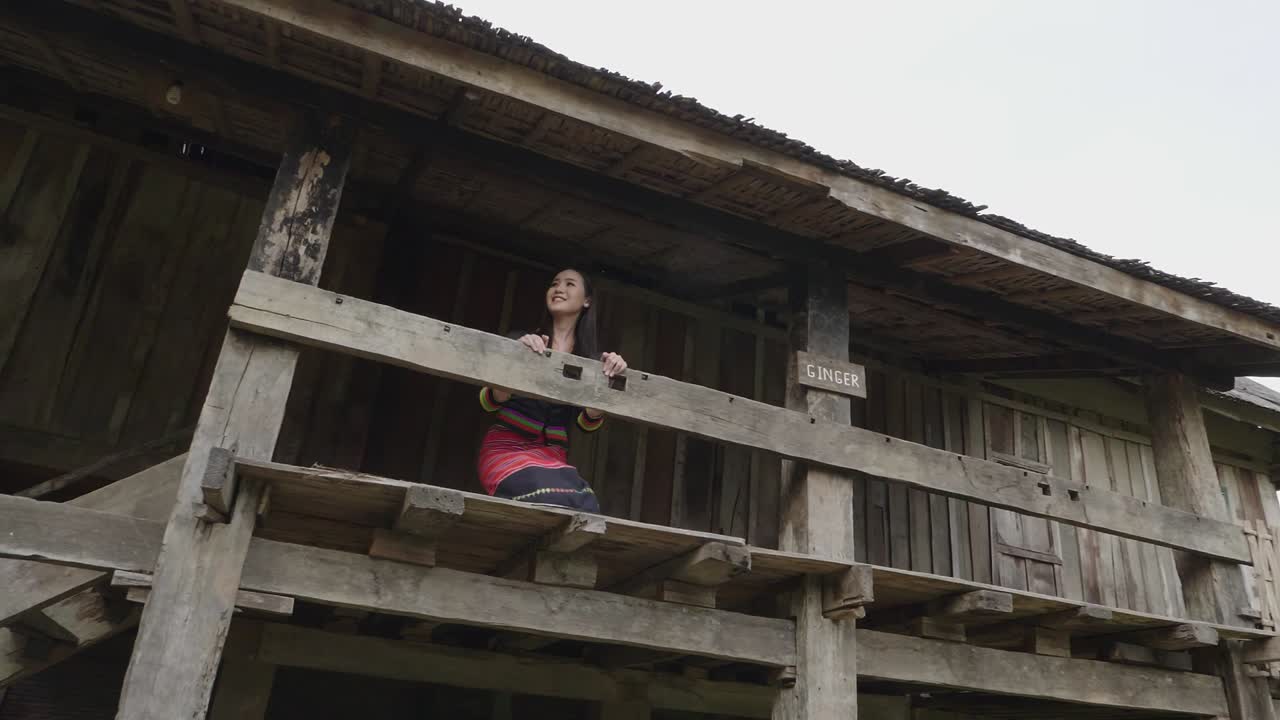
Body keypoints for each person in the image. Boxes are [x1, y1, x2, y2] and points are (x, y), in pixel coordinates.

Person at [476, 268, 627, 512]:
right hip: (506, 451)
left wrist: (611, 377)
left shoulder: (592, 360)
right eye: (554, 283)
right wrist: (517, 357)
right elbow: (490, 401)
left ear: (587, 300)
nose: (559, 288)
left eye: (569, 284)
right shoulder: (523, 340)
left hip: (553, 460)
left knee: (587, 506)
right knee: (550, 496)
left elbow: (586, 422)